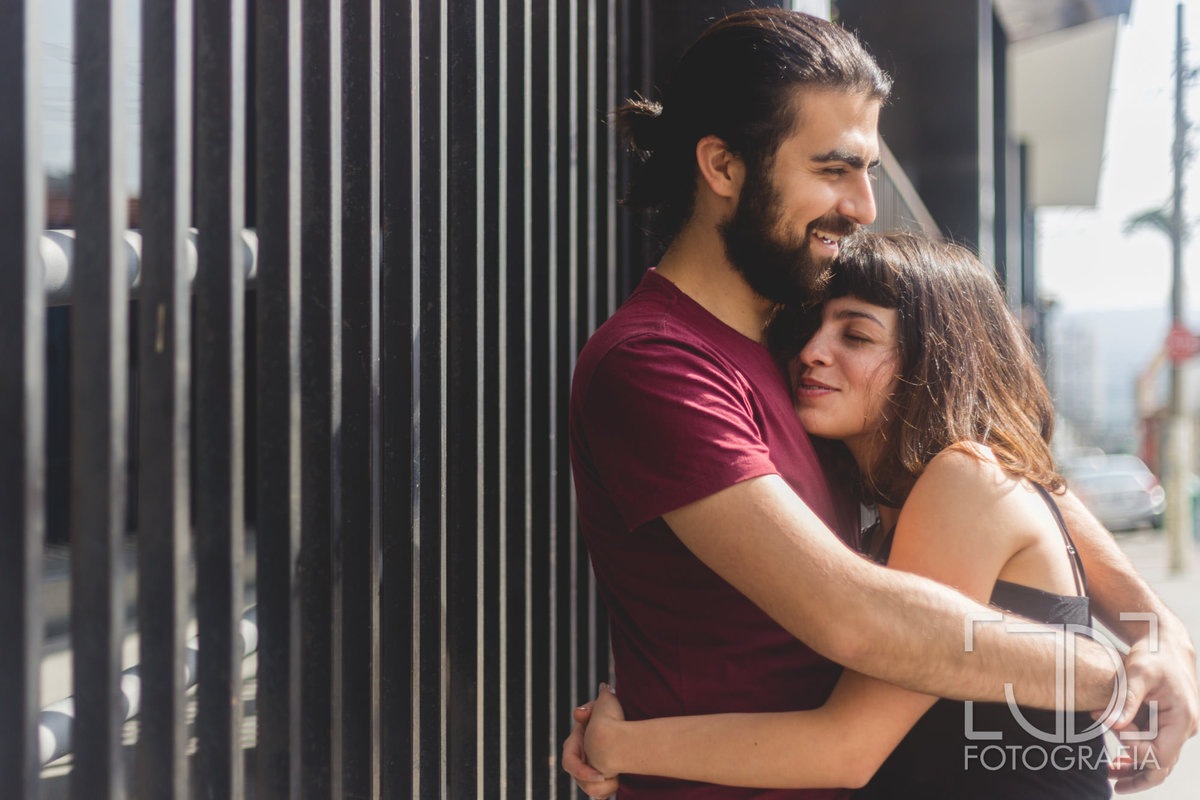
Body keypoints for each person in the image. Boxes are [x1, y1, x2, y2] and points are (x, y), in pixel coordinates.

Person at [565, 8, 1198, 799]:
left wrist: (1159, 632)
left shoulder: (792, 340)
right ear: (723, 166)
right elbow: (853, 617)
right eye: (834, 169)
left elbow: (1001, 470)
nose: (864, 205)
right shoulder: (658, 364)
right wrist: (1101, 673)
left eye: (867, 169)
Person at [570, 231, 1126, 797]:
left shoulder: (965, 481)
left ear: (936, 360)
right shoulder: (896, 514)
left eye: (855, 335)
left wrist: (619, 746)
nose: (812, 351)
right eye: (810, 328)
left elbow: (847, 748)